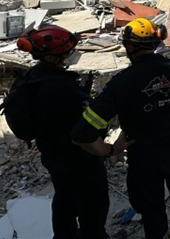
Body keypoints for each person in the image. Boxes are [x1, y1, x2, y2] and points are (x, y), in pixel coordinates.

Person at [71, 18, 170, 239]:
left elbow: (82, 134)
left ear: (130, 46)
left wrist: (111, 150)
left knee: (152, 210)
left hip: (143, 156)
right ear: (156, 42)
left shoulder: (120, 83)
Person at [13, 26, 109, 239]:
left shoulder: (29, 79)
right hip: (80, 158)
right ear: (50, 57)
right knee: (92, 206)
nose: (70, 55)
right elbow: (89, 129)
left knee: (64, 199)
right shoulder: (62, 89)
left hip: (52, 154)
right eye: (66, 52)